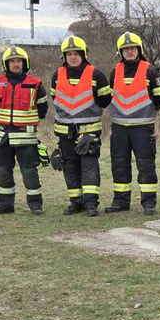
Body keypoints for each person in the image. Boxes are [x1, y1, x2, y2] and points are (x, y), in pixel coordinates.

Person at [50, 35, 112, 216]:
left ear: (84, 54)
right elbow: (55, 98)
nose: (73, 57)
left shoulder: (96, 74)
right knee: (69, 167)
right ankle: (76, 202)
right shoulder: (57, 75)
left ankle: (91, 203)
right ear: (64, 56)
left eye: (76, 53)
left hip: (88, 133)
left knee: (89, 167)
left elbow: (105, 100)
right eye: (69, 54)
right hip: (65, 133)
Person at [105, 32, 160, 215]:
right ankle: (120, 201)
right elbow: (109, 95)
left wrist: (147, 112)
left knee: (146, 165)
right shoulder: (115, 71)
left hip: (142, 127)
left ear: (139, 50)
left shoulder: (150, 70)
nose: (129, 52)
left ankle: (149, 203)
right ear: (120, 52)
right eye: (126, 49)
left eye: (132, 48)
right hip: (119, 128)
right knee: (119, 164)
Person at [0, 46, 48, 215]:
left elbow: (43, 110)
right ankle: (5, 204)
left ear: (25, 63)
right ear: (6, 64)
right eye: (12, 61)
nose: (16, 64)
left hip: (25, 137)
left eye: (19, 61)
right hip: (2, 136)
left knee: (29, 172)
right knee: (2, 170)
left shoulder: (35, 84)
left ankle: (35, 205)